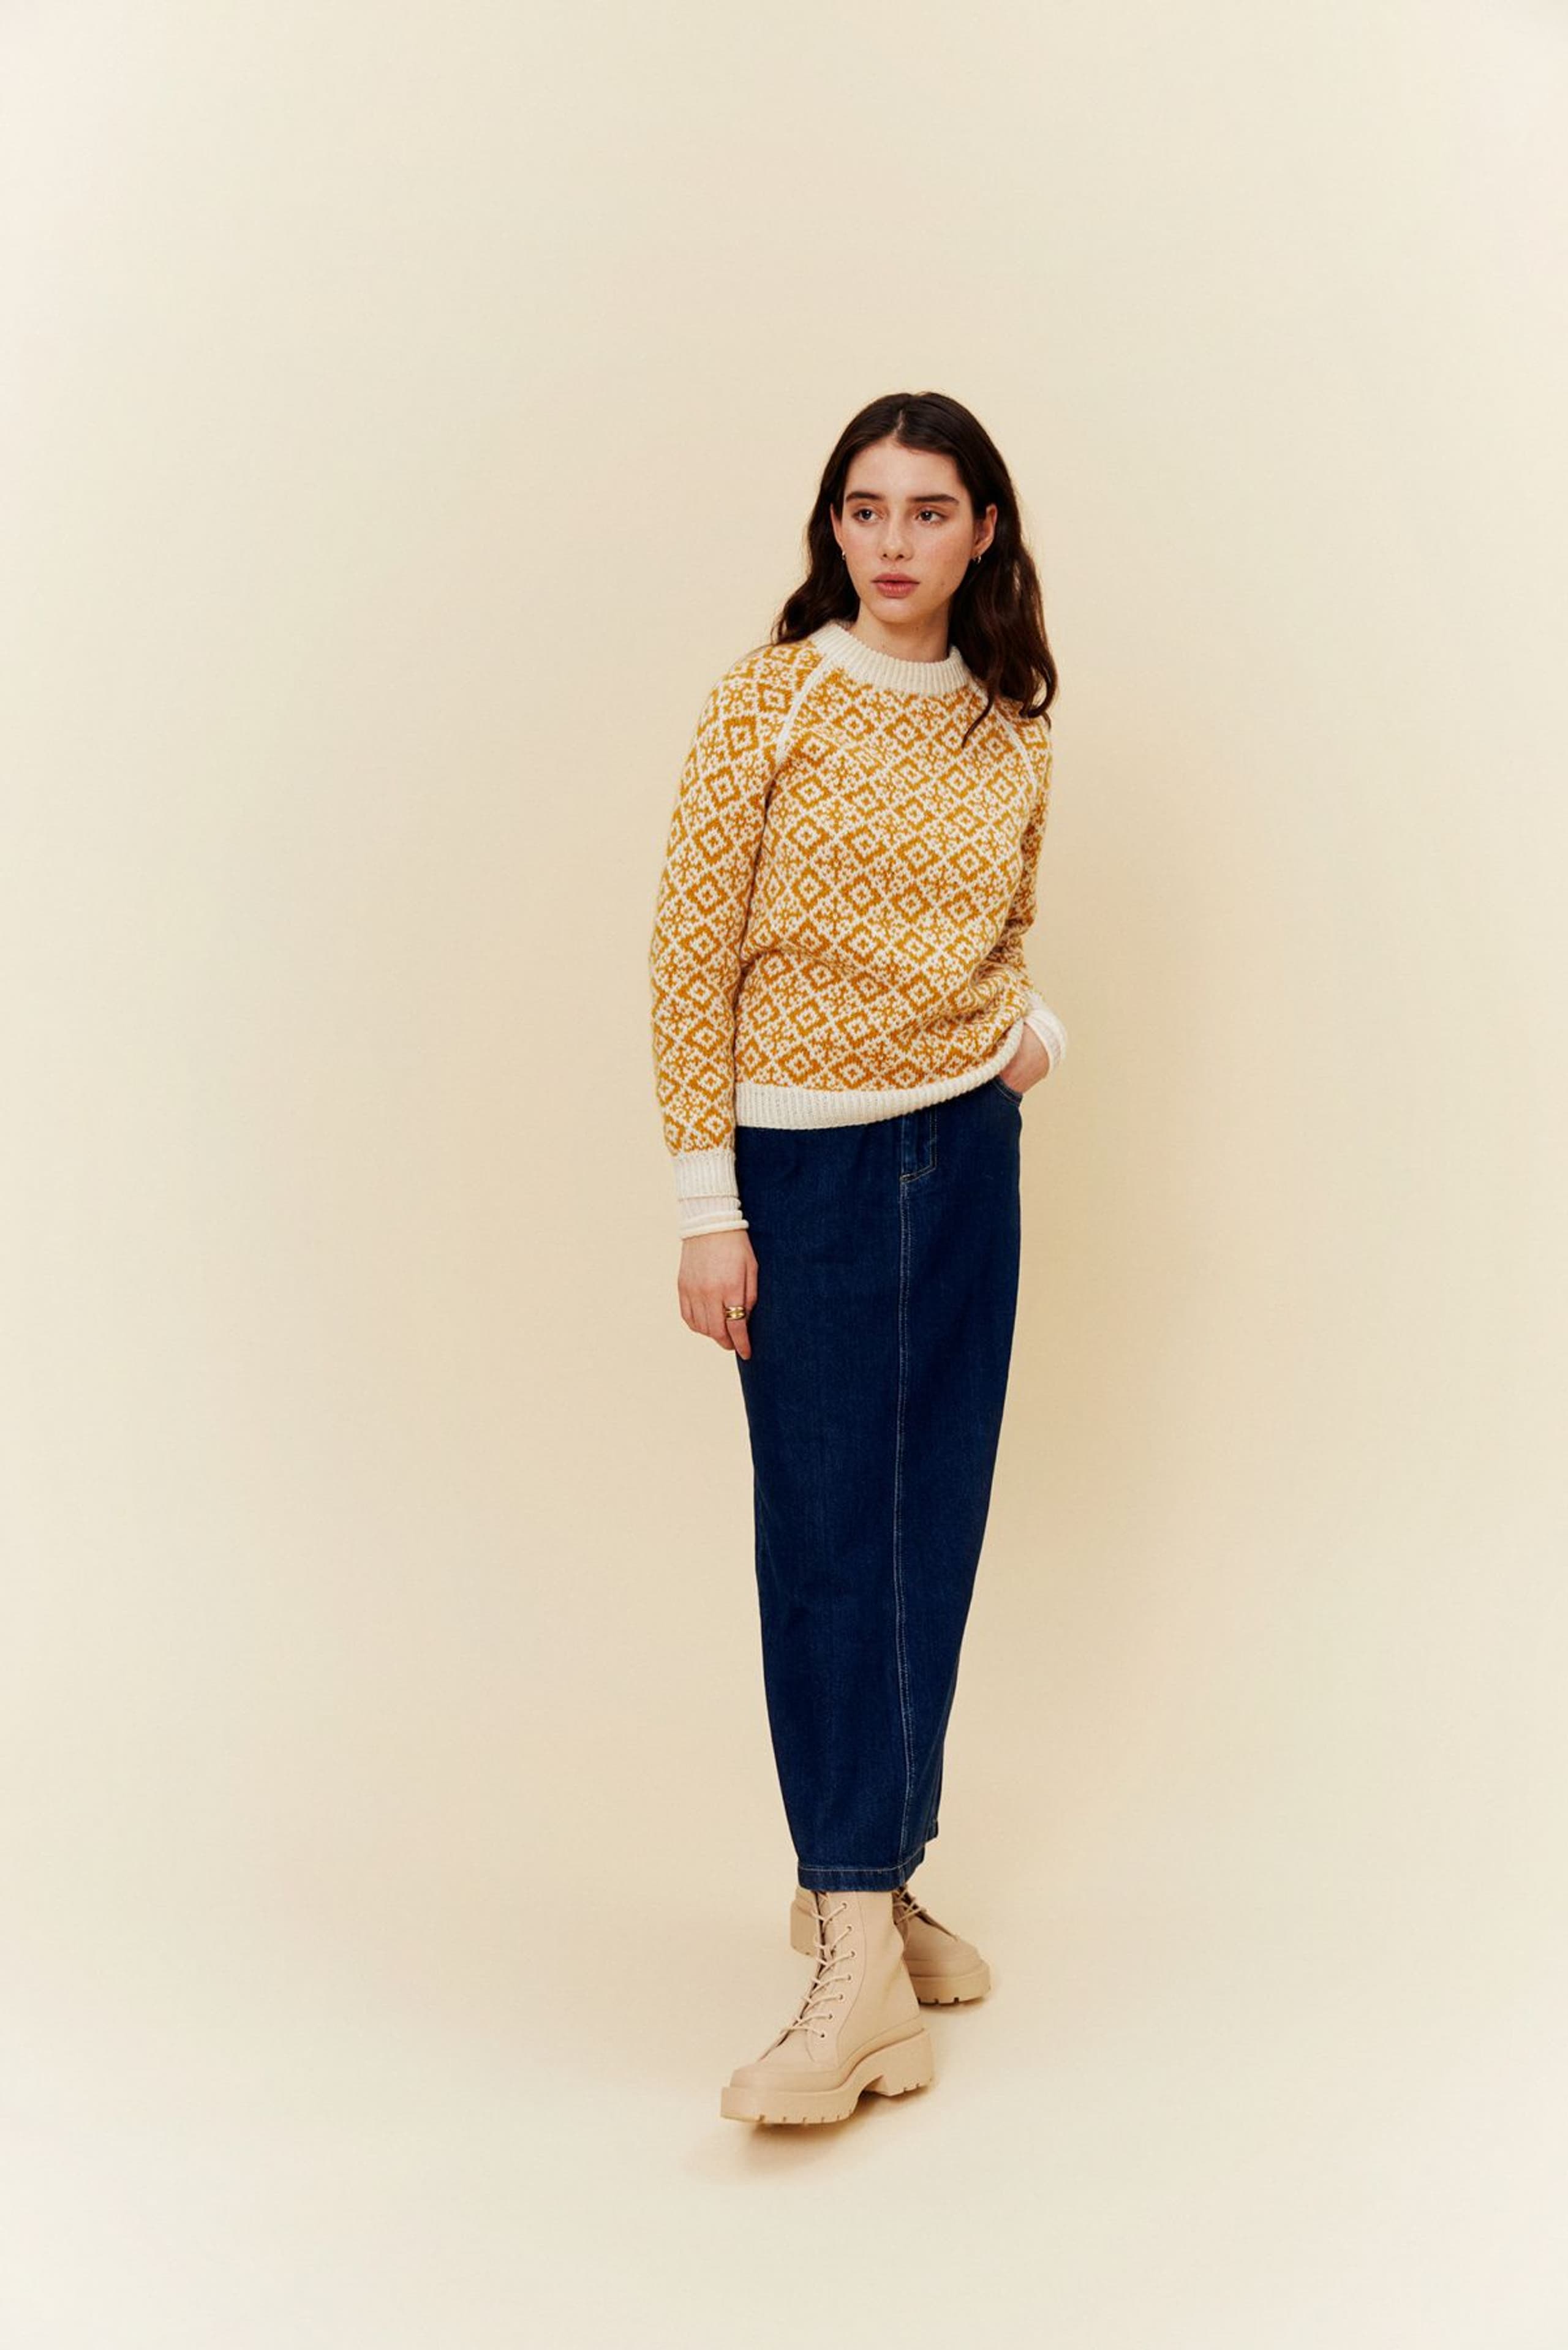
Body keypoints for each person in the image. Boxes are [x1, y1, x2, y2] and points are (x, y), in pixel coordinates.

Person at [647, 390, 1067, 2127]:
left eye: (929, 510)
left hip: (965, 1159)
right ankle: (845, 1956)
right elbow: (691, 949)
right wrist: (709, 1204)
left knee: (930, 1526)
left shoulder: (1007, 718)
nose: (895, 542)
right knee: (828, 1542)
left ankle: (875, 1888)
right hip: (802, 1178)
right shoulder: (773, 696)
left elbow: (1007, 916)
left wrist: (1028, 1038)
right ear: (834, 527)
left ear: (983, 533)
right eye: (867, 509)